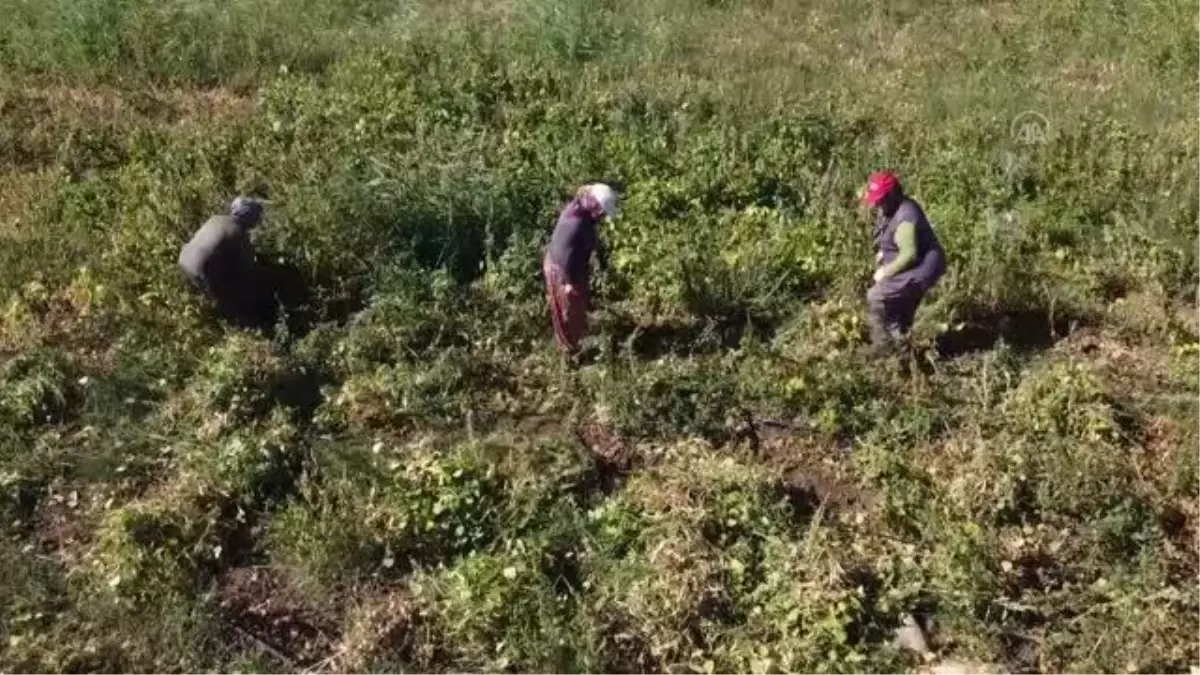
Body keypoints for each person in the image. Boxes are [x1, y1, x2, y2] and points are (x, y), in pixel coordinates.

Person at [860, 171, 946, 354]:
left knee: (876, 296)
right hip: (915, 265)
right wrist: (884, 251)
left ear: (892, 194)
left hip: (922, 268)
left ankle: (882, 347)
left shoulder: (906, 216)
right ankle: (901, 350)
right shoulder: (891, 208)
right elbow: (892, 237)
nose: (876, 204)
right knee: (899, 312)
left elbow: (909, 254)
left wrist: (886, 271)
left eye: (880, 199)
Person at [543, 183, 619, 360]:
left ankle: (572, 345)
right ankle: (570, 354)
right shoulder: (577, 224)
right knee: (570, 311)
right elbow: (565, 255)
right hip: (562, 268)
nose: (602, 217)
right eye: (602, 212)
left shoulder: (580, 208)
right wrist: (568, 282)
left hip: (564, 263)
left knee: (575, 306)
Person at [179, 196, 270, 328]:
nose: (257, 220)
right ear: (249, 217)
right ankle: (242, 324)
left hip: (184, 260)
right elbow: (246, 269)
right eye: (256, 216)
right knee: (238, 292)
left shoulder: (216, 218)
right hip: (201, 269)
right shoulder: (238, 233)